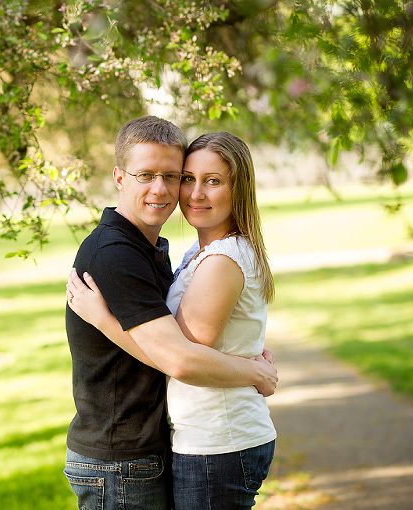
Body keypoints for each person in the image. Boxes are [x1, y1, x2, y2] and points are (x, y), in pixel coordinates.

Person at [64, 117, 277, 510]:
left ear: (238, 189)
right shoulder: (122, 254)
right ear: (119, 177)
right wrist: (253, 371)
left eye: (173, 176)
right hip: (122, 457)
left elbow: (182, 356)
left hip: (204, 442)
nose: (167, 190)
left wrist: (105, 321)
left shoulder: (189, 253)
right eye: (146, 174)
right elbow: (180, 358)